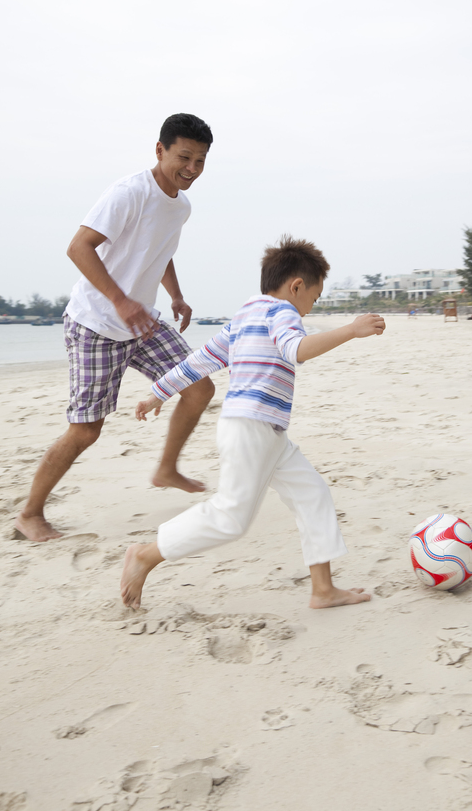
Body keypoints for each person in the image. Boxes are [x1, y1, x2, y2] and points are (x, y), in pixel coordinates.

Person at [120, 235, 385, 610]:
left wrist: (158, 392)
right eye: (314, 297)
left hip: (269, 433)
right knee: (231, 517)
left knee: (312, 494)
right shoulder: (282, 313)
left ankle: (323, 589)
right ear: (296, 286)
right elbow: (296, 350)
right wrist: (351, 330)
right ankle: (146, 554)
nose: (310, 308)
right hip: (251, 428)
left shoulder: (246, 314)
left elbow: (201, 360)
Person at [15, 113, 216, 542]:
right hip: (95, 323)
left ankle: (166, 468)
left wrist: (176, 295)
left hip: (140, 321)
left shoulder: (180, 205)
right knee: (87, 429)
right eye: (185, 157)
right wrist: (120, 300)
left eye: (201, 160)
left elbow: (159, 252)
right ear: (160, 151)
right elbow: (78, 247)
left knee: (199, 385)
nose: (192, 169)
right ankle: (30, 513)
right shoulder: (129, 193)